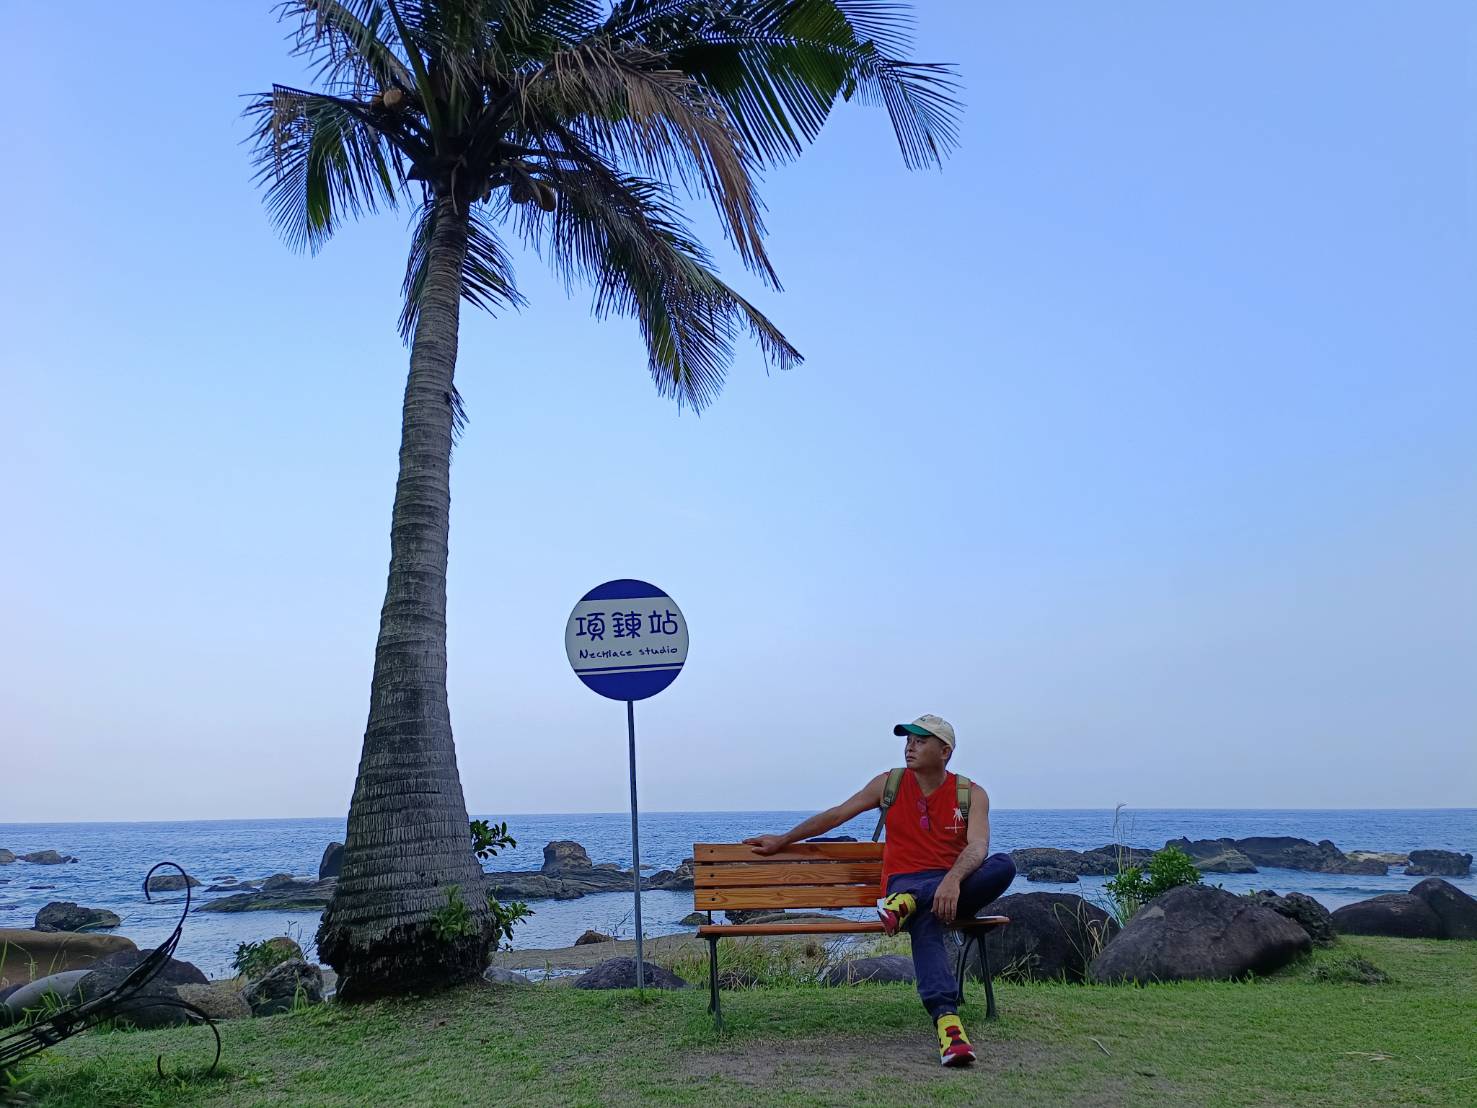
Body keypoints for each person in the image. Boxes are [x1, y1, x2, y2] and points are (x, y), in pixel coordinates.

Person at [743, 714, 1016, 1067]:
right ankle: (949, 1025)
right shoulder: (890, 784)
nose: (910, 746)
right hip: (904, 882)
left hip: (946, 889)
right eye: (908, 740)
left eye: (920, 740)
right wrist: (783, 839)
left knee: (1004, 864)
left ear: (945, 750)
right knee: (928, 920)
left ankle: (910, 905)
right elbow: (837, 815)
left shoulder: (971, 793)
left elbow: (978, 846)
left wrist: (951, 880)